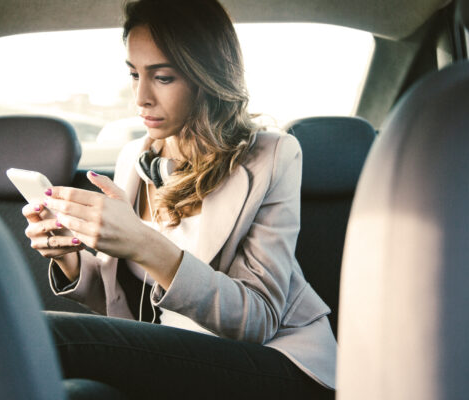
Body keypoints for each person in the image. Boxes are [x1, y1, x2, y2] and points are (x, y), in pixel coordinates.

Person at [22, 0, 337, 398]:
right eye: (134, 74)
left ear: (208, 77)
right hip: (180, 359)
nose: (141, 97)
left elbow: (259, 319)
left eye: (163, 77)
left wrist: (143, 242)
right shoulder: (133, 160)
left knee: (47, 335)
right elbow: (127, 309)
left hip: (274, 362)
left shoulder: (273, 156)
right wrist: (69, 256)